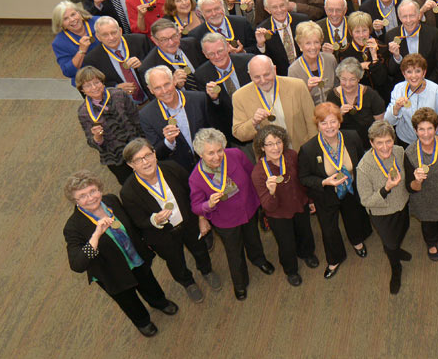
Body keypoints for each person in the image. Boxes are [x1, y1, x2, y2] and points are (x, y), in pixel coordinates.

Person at [63, 171, 178, 337]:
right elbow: (77, 265)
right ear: (75, 201)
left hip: (135, 257)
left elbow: (132, 225)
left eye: (93, 191)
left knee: (148, 282)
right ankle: (142, 321)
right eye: (82, 196)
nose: (91, 198)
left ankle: (159, 302)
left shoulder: (111, 200)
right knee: (127, 300)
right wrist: (96, 235)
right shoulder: (73, 227)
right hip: (111, 272)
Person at [119, 138, 220, 301]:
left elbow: (194, 194)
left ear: (155, 154)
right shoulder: (128, 192)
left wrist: (202, 218)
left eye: (148, 155)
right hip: (162, 235)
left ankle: (207, 270)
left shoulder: (172, 168)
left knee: (200, 249)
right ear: (131, 165)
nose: (146, 162)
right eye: (139, 160)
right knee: (176, 262)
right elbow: (138, 221)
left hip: (189, 223)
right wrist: (154, 220)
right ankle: (188, 283)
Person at [188, 128, 274, 300]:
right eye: (210, 153)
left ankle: (259, 259)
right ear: (200, 154)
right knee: (234, 253)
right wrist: (208, 204)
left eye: (219, 150)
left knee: (253, 238)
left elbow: (252, 174)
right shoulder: (196, 178)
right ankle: (240, 283)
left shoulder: (235, 154)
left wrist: (261, 200)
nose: (217, 156)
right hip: (226, 221)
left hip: (248, 209)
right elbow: (196, 207)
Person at [298, 102, 372, 278]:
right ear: (317, 125)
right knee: (329, 229)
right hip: (326, 194)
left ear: (339, 122)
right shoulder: (308, 149)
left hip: (350, 189)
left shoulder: (352, 137)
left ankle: (357, 242)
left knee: (353, 217)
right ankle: (335, 259)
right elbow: (304, 178)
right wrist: (324, 182)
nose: (329, 127)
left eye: (333, 122)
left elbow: (361, 161)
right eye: (324, 123)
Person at [249, 124, 319, 286]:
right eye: (270, 144)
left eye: (279, 142)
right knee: (286, 244)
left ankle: (307, 253)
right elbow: (268, 207)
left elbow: (302, 181)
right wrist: (272, 192)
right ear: (262, 147)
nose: (276, 148)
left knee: (305, 232)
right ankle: (291, 270)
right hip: (278, 214)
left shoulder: (291, 155)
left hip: (299, 204)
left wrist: (310, 200)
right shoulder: (258, 173)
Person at [356, 121, 412, 294]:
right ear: (372, 143)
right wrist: (386, 188)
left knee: (404, 230)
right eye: (379, 143)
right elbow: (365, 200)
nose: (385, 147)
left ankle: (395, 250)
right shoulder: (364, 168)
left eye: (388, 141)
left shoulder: (399, 152)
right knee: (390, 243)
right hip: (382, 214)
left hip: (402, 204)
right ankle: (396, 268)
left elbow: (409, 175)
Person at [403, 107, 438, 261]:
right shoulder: (409, 153)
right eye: (421, 129)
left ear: (436, 129)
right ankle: (431, 243)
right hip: (423, 198)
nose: (426, 134)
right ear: (415, 130)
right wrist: (417, 181)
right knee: (428, 226)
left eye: (430, 128)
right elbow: (410, 187)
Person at [232, 55, 317, 151]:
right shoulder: (239, 97)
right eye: (257, 77)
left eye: (266, 74)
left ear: (274, 69)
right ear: (250, 75)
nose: (263, 81)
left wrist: (313, 150)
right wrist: (253, 122)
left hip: (301, 152)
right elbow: (239, 134)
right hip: (269, 159)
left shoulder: (298, 86)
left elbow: (312, 121)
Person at [76, 66, 142, 185]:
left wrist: (143, 142)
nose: (94, 87)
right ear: (82, 90)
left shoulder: (119, 94)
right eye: (88, 85)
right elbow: (91, 142)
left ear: (102, 82)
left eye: (96, 82)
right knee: (132, 185)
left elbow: (136, 118)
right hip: (115, 157)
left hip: (136, 147)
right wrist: (97, 137)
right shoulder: (84, 112)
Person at [139, 65, 213, 171]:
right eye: (157, 88)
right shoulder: (146, 116)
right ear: (151, 90)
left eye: (167, 84)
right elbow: (156, 153)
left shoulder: (199, 99)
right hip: (182, 172)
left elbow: (215, 131)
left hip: (211, 162)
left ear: (174, 81)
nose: (164, 91)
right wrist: (168, 141)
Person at [194, 32, 252, 146]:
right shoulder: (201, 75)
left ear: (227, 47)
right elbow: (210, 114)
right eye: (211, 54)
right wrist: (214, 99)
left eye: (220, 51)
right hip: (233, 134)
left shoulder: (248, 62)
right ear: (205, 54)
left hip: (257, 120)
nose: (217, 56)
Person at [384, 54, 438, 145]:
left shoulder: (436, 90)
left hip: (430, 140)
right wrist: (396, 108)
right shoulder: (398, 89)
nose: (413, 76)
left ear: (424, 72)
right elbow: (388, 121)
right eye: (409, 72)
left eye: (417, 71)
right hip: (406, 141)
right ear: (403, 73)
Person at [81, 16, 149, 103]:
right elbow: (93, 86)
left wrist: (143, 64)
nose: (111, 38)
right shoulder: (92, 59)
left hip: (151, 94)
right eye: (105, 35)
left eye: (113, 32)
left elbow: (158, 63)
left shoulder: (140, 41)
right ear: (98, 37)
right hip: (122, 104)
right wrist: (115, 88)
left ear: (120, 31)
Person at [326, 58, 386, 150]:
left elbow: (380, 123)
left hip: (368, 145)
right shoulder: (332, 96)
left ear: (359, 78)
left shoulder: (370, 94)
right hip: (343, 146)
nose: (347, 84)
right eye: (343, 79)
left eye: (352, 79)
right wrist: (339, 114)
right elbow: (328, 125)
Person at [386, 0, 438, 80]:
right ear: (399, 17)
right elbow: (391, 72)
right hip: (404, 87)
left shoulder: (434, 34)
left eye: (412, 16)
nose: (408, 20)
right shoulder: (391, 36)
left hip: (429, 84)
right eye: (404, 16)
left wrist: (425, 85)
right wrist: (397, 57)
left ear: (419, 15)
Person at [253, 0, 309, 75]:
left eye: (282, 5)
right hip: (282, 76)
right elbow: (265, 62)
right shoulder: (263, 30)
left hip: (306, 70)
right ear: (267, 9)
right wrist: (261, 45)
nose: (279, 10)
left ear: (287, 5)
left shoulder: (302, 21)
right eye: (274, 7)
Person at [339, 11, 390, 98]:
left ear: (370, 30)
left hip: (380, 97)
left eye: (364, 30)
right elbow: (346, 80)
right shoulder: (345, 52)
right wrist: (361, 66)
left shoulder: (382, 47)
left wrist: (374, 56)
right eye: (357, 31)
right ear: (351, 32)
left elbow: (381, 80)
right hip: (356, 98)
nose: (361, 35)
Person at [138, 18, 204, 86]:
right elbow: (155, 95)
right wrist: (173, 85)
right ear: (155, 41)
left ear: (179, 34)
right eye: (164, 39)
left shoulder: (192, 44)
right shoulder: (148, 67)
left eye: (174, 36)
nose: (171, 43)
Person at [287, 21, 338, 107]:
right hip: (310, 115)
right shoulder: (294, 70)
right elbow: (294, 102)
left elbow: (338, 87)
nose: (313, 47)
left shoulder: (330, 59)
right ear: (300, 45)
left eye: (316, 42)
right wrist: (307, 89)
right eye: (308, 43)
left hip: (332, 111)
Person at [189, 0, 256, 52]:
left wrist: (243, 52)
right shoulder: (196, 35)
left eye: (217, 9)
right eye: (208, 11)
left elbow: (255, 48)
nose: (214, 14)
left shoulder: (242, 23)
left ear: (223, 7)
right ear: (201, 13)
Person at [51, 0, 99, 84]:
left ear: (79, 13)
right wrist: (81, 51)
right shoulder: (59, 43)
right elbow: (68, 71)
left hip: (111, 71)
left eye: (73, 14)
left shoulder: (98, 23)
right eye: (65, 19)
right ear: (60, 23)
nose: (72, 19)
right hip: (86, 81)